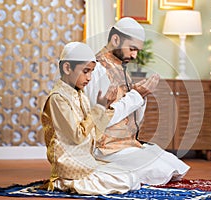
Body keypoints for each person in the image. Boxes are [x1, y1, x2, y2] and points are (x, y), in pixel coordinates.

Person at [84, 17, 190, 185]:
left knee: (173, 164)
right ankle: (102, 169)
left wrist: (142, 97)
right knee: (160, 170)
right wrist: (136, 96)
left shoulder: (122, 69)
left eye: (137, 51)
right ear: (116, 39)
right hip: (104, 149)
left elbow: (134, 121)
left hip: (126, 145)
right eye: (132, 49)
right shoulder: (96, 70)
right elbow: (98, 120)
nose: (134, 55)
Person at [40, 42, 141, 195]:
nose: (89, 78)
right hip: (71, 169)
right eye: (85, 71)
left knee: (131, 176)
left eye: (92, 72)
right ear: (67, 68)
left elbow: (94, 135)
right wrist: (98, 109)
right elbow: (77, 136)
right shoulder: (58, 99)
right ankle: (63, 183)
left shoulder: (81, 95)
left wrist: (105, 109)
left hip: (87, 163)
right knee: (125, 181)